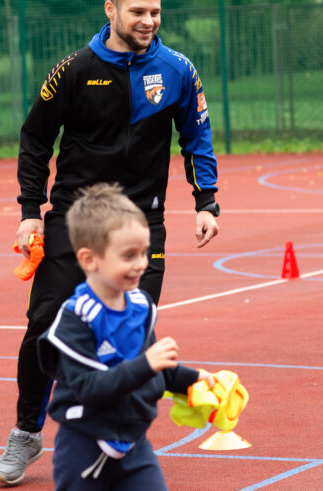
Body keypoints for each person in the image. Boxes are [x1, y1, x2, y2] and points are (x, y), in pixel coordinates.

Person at [0, 0, 221, 486]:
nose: (148, 20)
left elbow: (197, 136)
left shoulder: (178, 70)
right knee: (43, 327)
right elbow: (35, 140)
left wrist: (207, 202)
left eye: (156, 12)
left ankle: (120, 438)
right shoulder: (74, 69)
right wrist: (31, 209)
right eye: (138, 11)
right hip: (76, 220)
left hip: (143, 219)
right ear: (111, 9)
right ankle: (27, 432)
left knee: (135, 329)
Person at [37, 183, 215, 489]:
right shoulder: (77, 318)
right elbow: (88, 388)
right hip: (84, 446)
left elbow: (154, 367)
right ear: (90, 259)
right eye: (128, 255)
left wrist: (194, 379)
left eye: (144, 252)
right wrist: (147, 364)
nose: (141, 264)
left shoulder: (140, 306)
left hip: (133, 444)